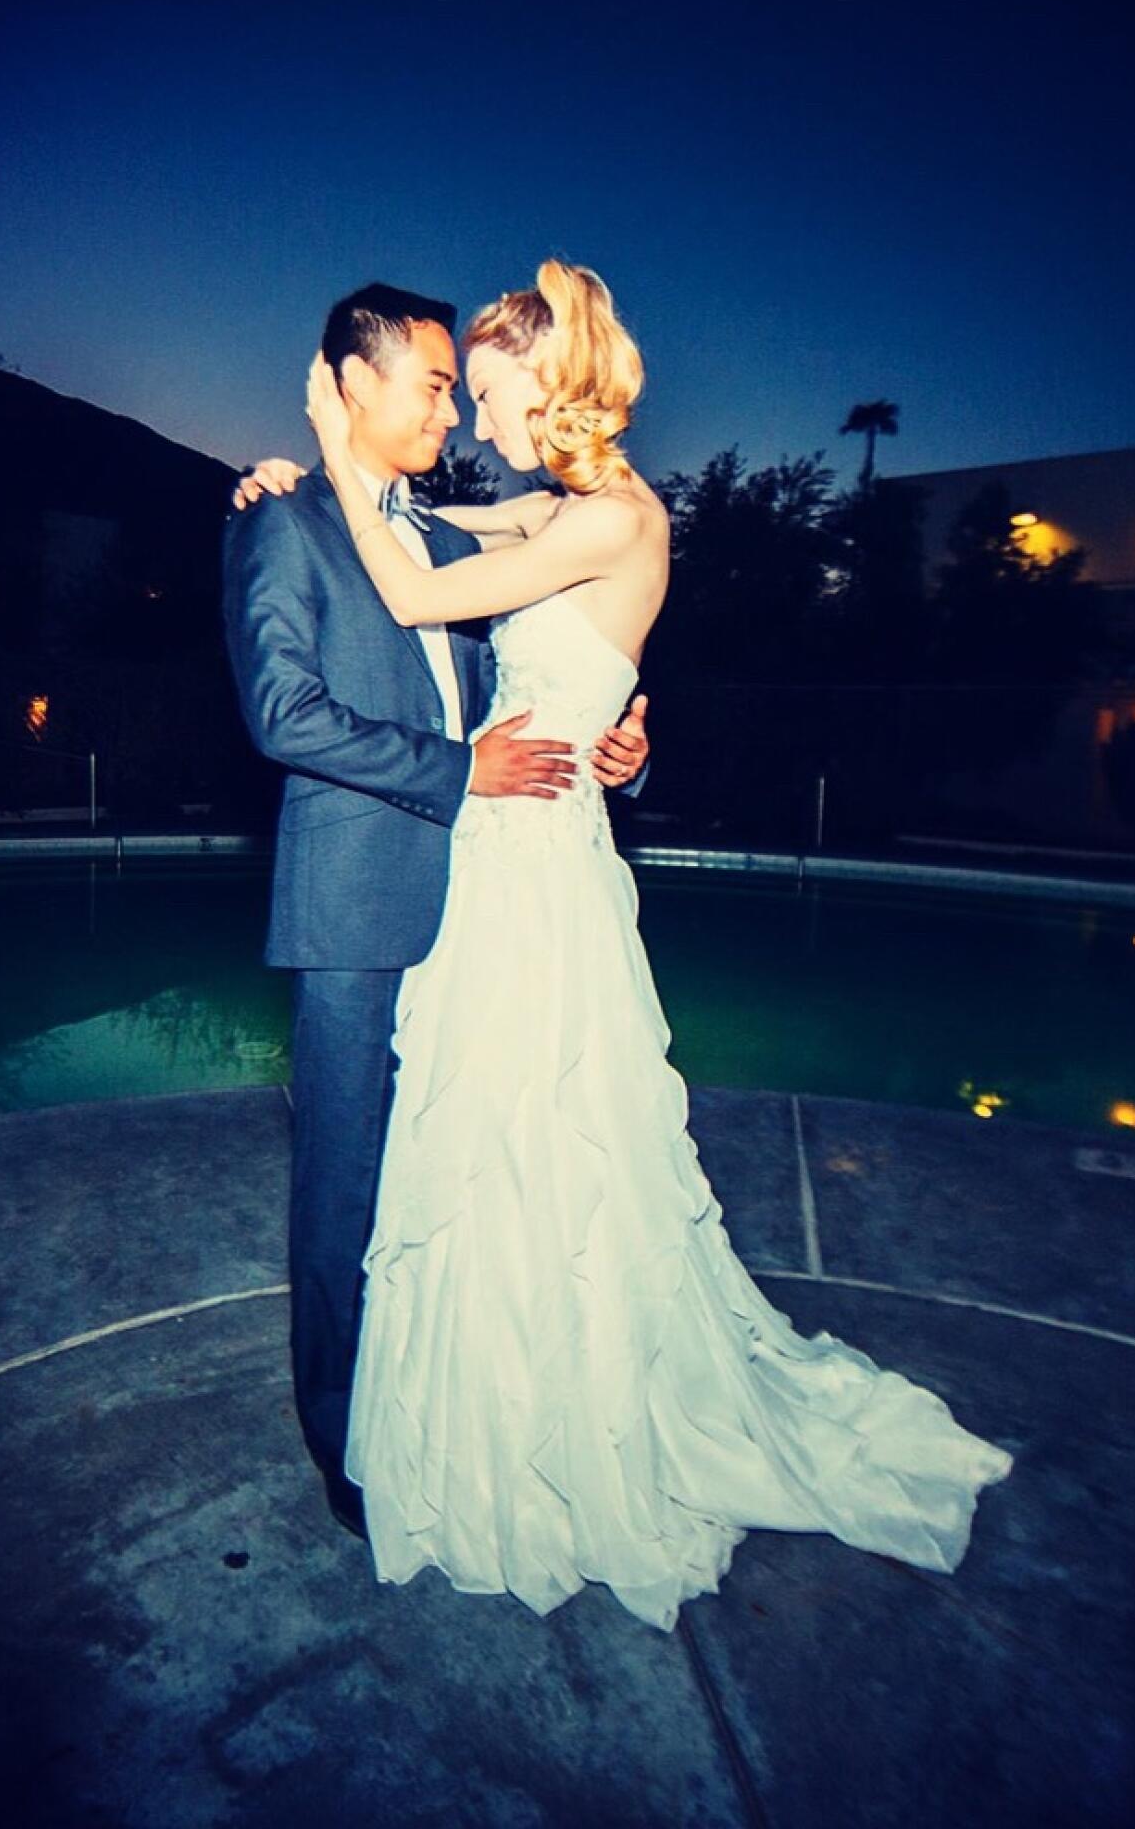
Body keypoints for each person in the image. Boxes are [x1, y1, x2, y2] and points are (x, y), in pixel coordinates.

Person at [258, 260, 1012, 1633]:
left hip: (535, 865)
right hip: (484, 855)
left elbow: (429, 600)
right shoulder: (550, 505)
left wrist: (320, 434)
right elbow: (423, 523)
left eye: (489, 392)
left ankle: (566, 1412)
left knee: (549, 1133)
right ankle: (485, 1391)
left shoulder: (616, 516)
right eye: (458, 395)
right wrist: (308, 485)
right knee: (480, 1136)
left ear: (549, 381)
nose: (476, 420)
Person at [220, 283, 651, 1541]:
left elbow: (562, 640)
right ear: (350, 384)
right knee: (345, 1184)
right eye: (430, 382)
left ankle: (451, 1394)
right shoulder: (279, 525)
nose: (450, 404)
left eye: (460, 385)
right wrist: (464, 773)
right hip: (357, 902)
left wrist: (620, 728)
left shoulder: (448, 535)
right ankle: (340, 1433)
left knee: (454, 1177)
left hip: (488, 908)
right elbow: (283, 718)